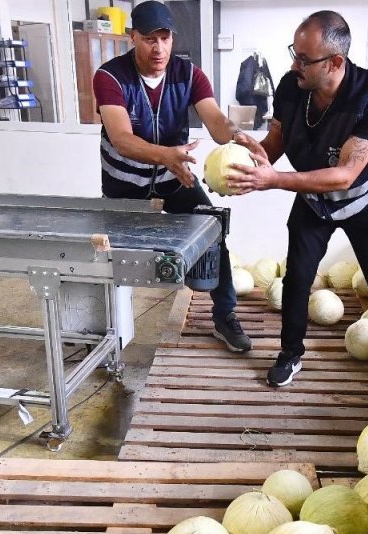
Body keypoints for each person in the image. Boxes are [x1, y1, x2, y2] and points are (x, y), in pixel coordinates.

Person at [222, 10, 368, 401]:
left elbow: (345, 175)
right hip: (313, 198)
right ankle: (290, 354)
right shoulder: (291, 88)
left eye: (303, 59)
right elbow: (276, 140)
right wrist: (254, 163)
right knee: (297, 278)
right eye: (294, 53)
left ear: (335, 62)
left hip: (367, 202)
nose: (294, 65)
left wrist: (274, 181)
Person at [93, 0, 254, 352]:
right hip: (124, 182)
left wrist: (238, 135)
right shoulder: (109, 76)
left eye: (165, 38)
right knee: (109, 256)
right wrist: (166, 155)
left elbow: (214, 121)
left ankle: (225, 316)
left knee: (213, 231)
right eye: (149, 38)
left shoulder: (189, 74)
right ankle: (106, 330)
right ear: (132, 37)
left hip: (174, 177)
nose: (159, 48)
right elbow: (121, 139)